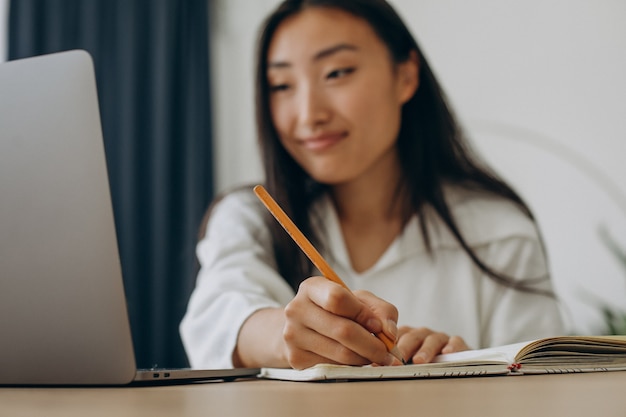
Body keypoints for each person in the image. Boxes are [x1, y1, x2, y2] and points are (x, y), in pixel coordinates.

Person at [180, 0, 565, 370]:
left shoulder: (497, 231)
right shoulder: (249, 217)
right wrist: (289, 335)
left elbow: (541, 380)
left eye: (336, 73)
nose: (309, 114)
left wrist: (468, 369)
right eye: (281, 85)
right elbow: (217, 320)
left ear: (405, 76)